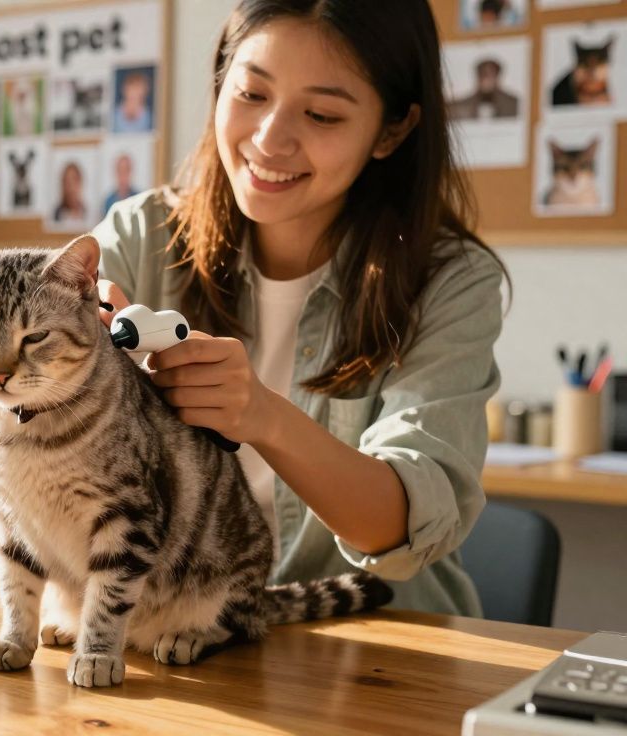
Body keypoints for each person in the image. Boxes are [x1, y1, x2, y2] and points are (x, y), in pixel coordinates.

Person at [91, 0, 508, 616]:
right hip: (175, 622)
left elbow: (396, 527)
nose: (268, 139)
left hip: (372, 641)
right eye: (252, 94)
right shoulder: (141, 234)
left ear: (391, 130)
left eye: (321, 114)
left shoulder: (449, 280)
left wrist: (264, 416)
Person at [448, 59, 519, 120]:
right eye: (483, 74)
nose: (486, 80)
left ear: (497, 77)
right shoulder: (459, 105)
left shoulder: (514, 103)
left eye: (490, 75)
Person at [113, 69, 154, 133]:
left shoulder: (149, 118)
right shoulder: (113, 114)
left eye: (140, 90)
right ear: (124, 89)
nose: (136, 94)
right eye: (133, 88)